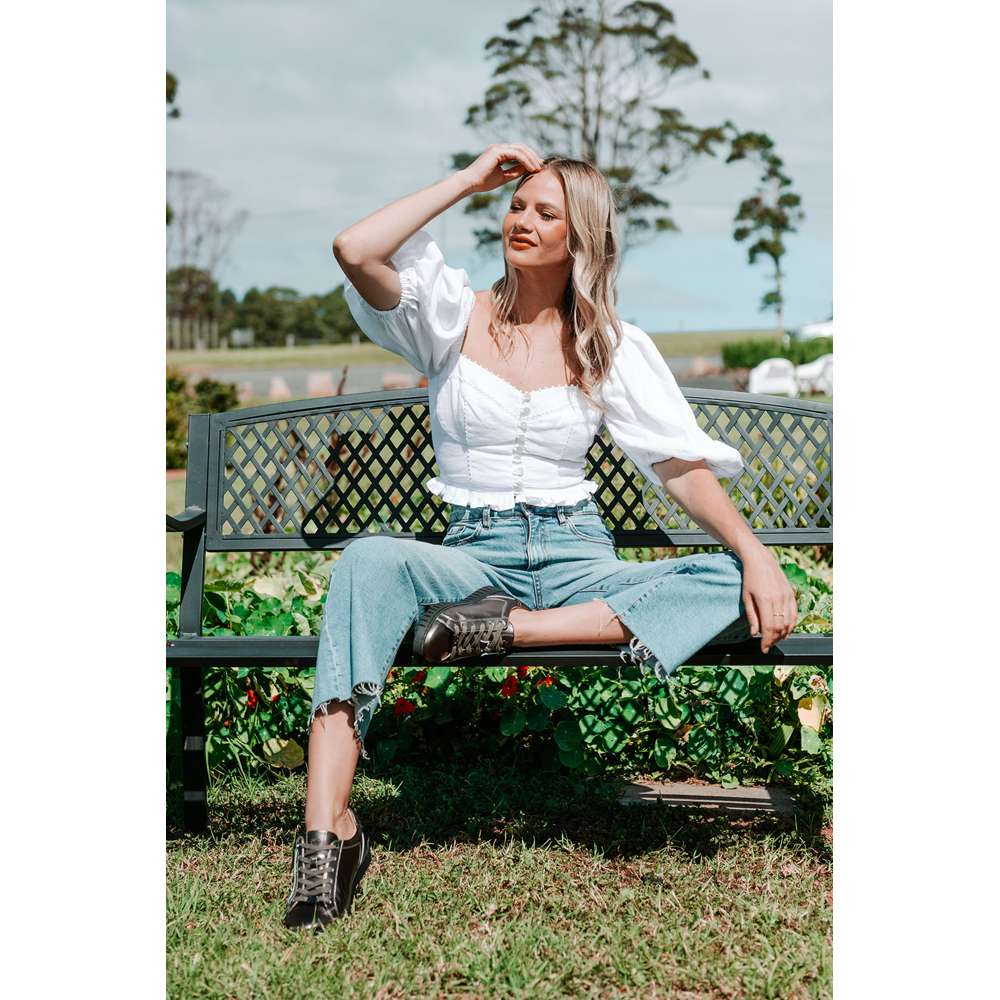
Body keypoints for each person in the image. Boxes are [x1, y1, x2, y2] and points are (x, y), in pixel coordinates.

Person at [283, 144, 798, 931]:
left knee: (727, 581)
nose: (521, 220)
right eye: (516, 205)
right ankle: (328, 839)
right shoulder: (450, 317)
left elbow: (680, 466)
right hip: (472, 563)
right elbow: (355, 249)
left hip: (574, 561)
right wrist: (467, 179)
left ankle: (509, 629)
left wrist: (754, 554)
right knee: (367, 561)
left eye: (544, 212)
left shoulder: (607, 345)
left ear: (578, 237)